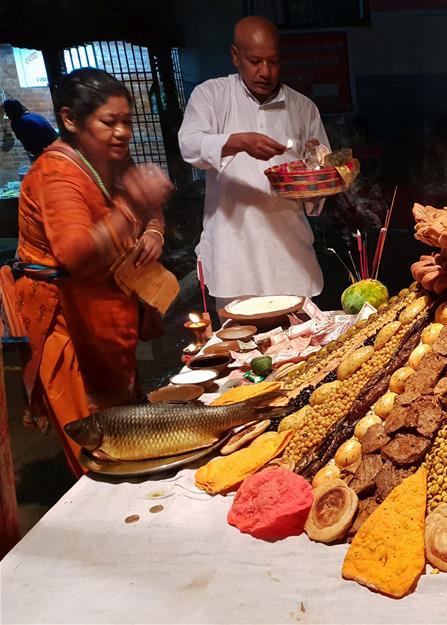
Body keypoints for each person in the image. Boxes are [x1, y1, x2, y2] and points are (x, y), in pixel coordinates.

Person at [14, 68, 172, 475]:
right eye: (109, 122)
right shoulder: (56, 173)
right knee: (97, 448)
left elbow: (148, 205)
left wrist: (153, 229)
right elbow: (77, 255)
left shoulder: (112, 159)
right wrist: (132, 207)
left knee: (128, 433)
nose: (122, 133)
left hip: (108, 316)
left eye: (127, 122)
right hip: (69, 322)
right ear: (71, 120)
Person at [178, 15, 330, 309]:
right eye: (255, 61)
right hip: (233, 257)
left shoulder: (303, 108)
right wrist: (238, 141)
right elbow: (189, 145)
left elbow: (319, 173)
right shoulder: (211, 95)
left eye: (273, 62)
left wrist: (317, 184)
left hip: (289, 254)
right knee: (241, 349)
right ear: (235, 56)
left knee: (301, 348)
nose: (265, 72)